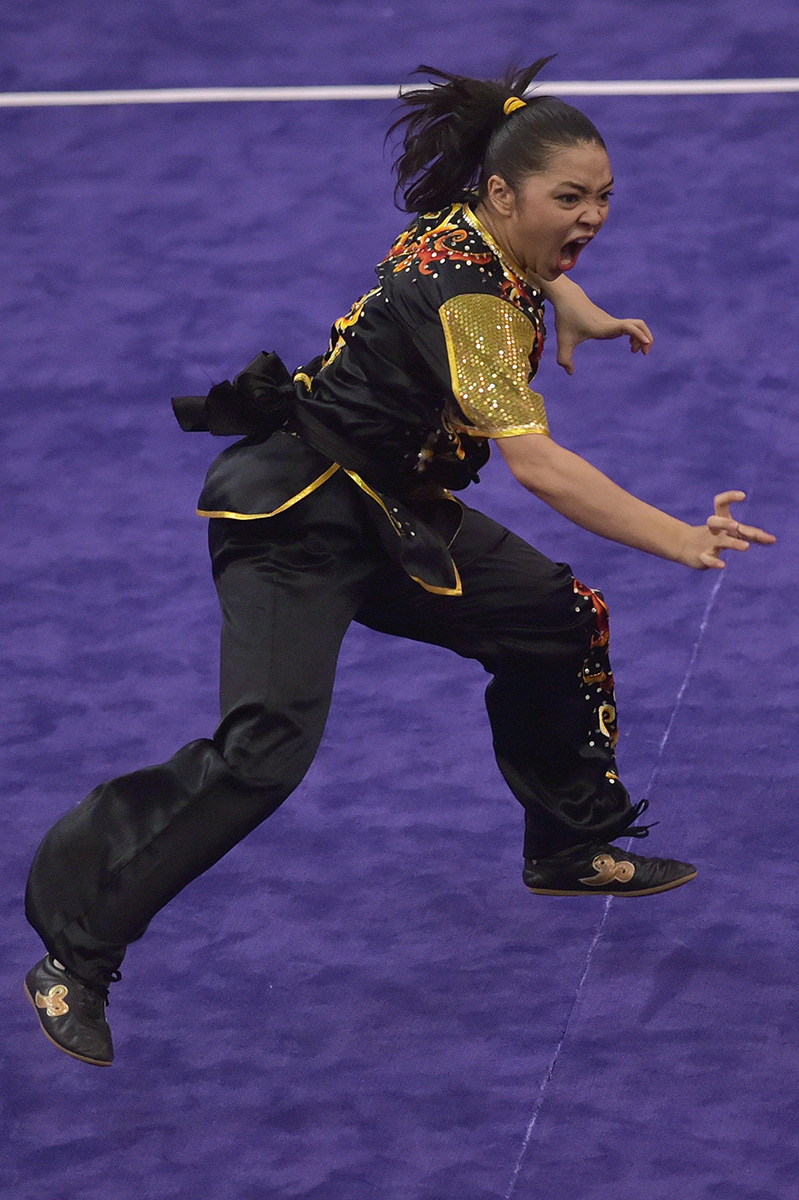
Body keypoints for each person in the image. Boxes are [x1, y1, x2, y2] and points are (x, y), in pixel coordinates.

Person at [24, 58, 775, 1068]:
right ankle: (74, 954)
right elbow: (540, 467)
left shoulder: (474, 231)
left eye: (602, 197)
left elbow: (525, 268)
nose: (592, 216)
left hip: (393, 508)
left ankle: (565, 846)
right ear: (502, 193)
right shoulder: (470, 302)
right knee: (263, 752)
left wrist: (573, 304)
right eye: (570, 199)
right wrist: (677, 536)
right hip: (293, 522)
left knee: (555, 616)